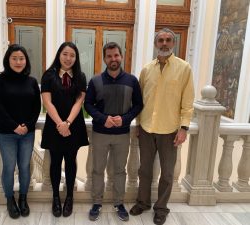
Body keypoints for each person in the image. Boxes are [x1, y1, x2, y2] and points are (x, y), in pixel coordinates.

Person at [129, 28, 195, 225]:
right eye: (161, 40)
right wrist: (139, 124)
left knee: (167, 173)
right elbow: (140, 101)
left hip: (170, 131)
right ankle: (143, 202)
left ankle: (161, 208)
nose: (164, 44)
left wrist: (184, 128)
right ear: (156, 44)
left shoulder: (184, 68)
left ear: (173, 43)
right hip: (147, 129)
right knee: (144, 170)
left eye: (168, 40)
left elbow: (188, 101)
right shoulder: (146, 70)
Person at [84, 42, 143, 221]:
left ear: (121, 56)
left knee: (119, 170)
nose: (113, 59)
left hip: (123, 134)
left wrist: (125, 119)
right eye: (109, 56)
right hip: (100, 133)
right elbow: (88, 104)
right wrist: (103, 119)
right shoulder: (95, 81)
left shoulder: (132, 80)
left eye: (116, 55)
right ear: (104, 59)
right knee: (97, 170)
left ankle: (119, 202)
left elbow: (138, 105)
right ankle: (97, 202)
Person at [0, 44, 41, 219]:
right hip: (6, 133)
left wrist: (27, 125)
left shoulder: (32, 82)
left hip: (27, 133)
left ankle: (23, 199)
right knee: (9, 167)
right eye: (14, 58)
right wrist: (14, 126)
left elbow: (37, 107)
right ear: (8, 60)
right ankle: (10, 199)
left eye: (21, 58)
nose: (18, 62)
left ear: (26, 60)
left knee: (25, 167)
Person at [40, 42, 88, 217]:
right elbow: (47, 102)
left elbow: (78, 102)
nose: (68, 58)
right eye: (65, 54)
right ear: (59, 55)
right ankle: (55, 197)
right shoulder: (48, 75)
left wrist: (67, 123)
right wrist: (60, 124)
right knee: (55, 162)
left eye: (72, 55)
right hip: (54, 126)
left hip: (73, 125)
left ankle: (69, 197)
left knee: (70, 161)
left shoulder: (80, 76)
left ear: (76, 58)